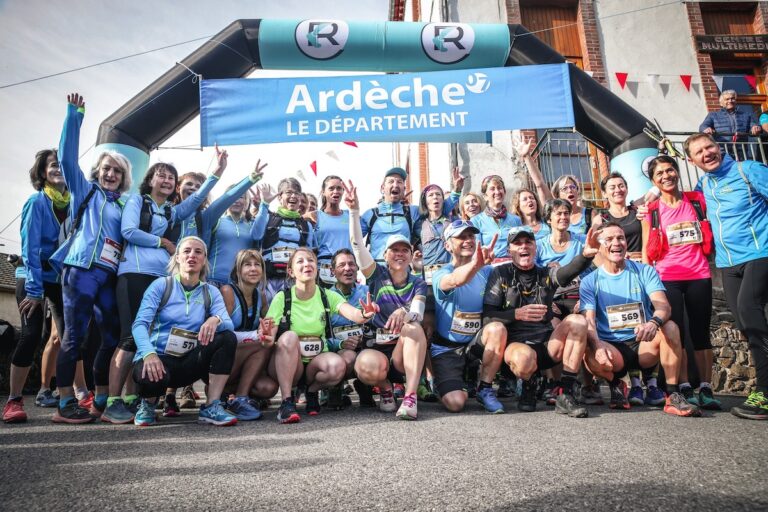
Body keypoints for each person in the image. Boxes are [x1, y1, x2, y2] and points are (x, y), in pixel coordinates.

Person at [101, 160, 221, 423]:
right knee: (130, 336)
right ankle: (113, 400)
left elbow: (196, 200)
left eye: (170, 178)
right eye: (161, 176)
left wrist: (215, 174)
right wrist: (162, 241)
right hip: (134, 274)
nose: (166, 181)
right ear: (151, 179)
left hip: (162, 278)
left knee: (150, 336)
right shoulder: (137, 201)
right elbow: (128, 231)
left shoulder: (171, 210)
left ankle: (133, 398)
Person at [48, 93, 132, 424]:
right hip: (81, 269)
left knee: (110, 336)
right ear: (99, 171)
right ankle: (65, 400)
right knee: (75, 335)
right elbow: (67, 159)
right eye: (107, 168)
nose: (111, 174)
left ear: (124, 178)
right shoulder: (86, 192)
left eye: (117, 171)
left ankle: (101, 397)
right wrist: (74, 115)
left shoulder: (126, 205)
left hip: (110, 275)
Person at [685, 132, 768, 420]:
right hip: (727, 263)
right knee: (746, 324)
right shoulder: (703, 185)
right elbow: (684, 208)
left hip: (760, 253)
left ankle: (767, 394)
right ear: (691, 160)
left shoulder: (748, 170)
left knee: (750, 312)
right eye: (699, 152)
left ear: (719, 147)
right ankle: (762, 390)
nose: (707, 153)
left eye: (710, 147)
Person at [580, 222, 700, 416]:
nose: (616, 243)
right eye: (609, 239)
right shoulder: (589, 281)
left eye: (620, 238)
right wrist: (597, 345)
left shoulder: (645, 271)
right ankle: (616, 384)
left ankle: (672, 395)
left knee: (670, 327)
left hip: (643, 342)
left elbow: (663, 306)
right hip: (613, 347)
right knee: (589, 351)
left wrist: (654, 322)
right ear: (600, 246)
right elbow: (590, 321)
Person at [482, 226, 600, 418]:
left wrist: (586, 255)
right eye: (517, 243)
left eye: (528, 242)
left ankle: (565, 394)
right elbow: (487, 317)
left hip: (547, 344)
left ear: (536, 247)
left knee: (578, 321)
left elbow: (567, 273)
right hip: (515, 346)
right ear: (509, 250)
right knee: (524, 360)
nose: (523, 246)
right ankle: (529, 383)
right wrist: (516, 314)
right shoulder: (500, 273)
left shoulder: (546, 273)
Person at [131, 236, 239, 427]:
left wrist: (215, 319)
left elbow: (228, 324)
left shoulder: (210, 292)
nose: (192, 256)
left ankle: (212, 406)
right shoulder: (161, 285)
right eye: (187, 251)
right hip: (159, 360)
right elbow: (139, 325)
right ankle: (147, 404)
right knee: (152, 378)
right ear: (178, 257)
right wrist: (148, 354)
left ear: (204, 259)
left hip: (190, 361)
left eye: (198, 252)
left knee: (227, 338)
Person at [264, 247, 378, 424]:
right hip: (289, 366)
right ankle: (286, 402)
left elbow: (354, 314)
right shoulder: (282, 298)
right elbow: (269, 336)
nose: (306, 264)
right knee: (289, 337)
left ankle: (311, 391)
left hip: (315, 366)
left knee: (337, 366)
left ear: (316, 267)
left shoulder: (327, 295)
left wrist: (365, 314)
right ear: (290, 271)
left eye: (310, 260)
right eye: (300, 261)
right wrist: (266, 339)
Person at [641, 155, 719, 410]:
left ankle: (706, 387)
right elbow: (645, 251)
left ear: (677, 172)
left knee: (700, 333)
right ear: (653, 181)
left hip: (699, 274)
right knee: (677, 333)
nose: (666, 176)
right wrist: (647, 281)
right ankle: (684, 385)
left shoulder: (696, 201)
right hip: (667, 278)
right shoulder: (651, 211)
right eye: (659, 174)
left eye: (669, 170)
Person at [347, 180, 429, 420]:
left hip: (403, 354)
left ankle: (410, 397)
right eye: (394, 250)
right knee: (364, 367)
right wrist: (353, 211)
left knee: (414, 327)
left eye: (404, 250)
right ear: (385, 255)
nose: (399, 254)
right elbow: (356, 245)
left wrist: (406, 313)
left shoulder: (418, 282)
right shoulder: (375, 274)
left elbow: (418, 313)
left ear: (410, 254)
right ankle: (384, 389)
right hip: (377, 349)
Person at [4, 149, 69, 423]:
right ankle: (13, 401)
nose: (58, 169)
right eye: (53, 165)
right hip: (31, 276)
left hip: (57, 278)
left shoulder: (74, 203)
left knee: (68, 337)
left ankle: (58, 393)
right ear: (43, 172)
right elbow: (29, 248)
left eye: (63, 165)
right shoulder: (36, 202)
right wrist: (34, 290)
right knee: (30, 334)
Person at [431, 220, 506, 413]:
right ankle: (442, 381)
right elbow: (456, 280)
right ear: (448, 245)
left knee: (497, 329)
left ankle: (485, 388)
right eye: (461, 237)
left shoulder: (488, 271)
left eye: (471, 236)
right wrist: (475, 264)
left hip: (474, 346)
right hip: (447, 350)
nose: (468, 241)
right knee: (456, 403)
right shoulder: (441, 273)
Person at [219, 249, 276, 420]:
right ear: (238, 271)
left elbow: (269, 326)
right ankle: (240, 397)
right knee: (261, 344)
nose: (253, 269)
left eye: (257, 264)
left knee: (268, 388)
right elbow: (222, 333)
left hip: (248, 357)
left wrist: (267, 332)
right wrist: (255, 335)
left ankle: (228, 392)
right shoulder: (228, 291)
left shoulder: (262, 296)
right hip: (225, 358)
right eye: (247, 265)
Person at [360, 167, 459, 262]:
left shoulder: (412, 212)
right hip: (378, 271)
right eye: (391, 181)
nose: (395, 185)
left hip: (402, 271)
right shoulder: (370, 215)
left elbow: (437, 207)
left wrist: (456, 192)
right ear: (382, 188)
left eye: (399, 182)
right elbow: (352, 239)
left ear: (404, 189)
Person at [252, 177, 316, 301]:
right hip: (268, 279)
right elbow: (255, 235)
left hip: (294, 280)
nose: (293, 196)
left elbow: (309, 254)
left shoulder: (306, 225)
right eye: (289, 192)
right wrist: (264, 204)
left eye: (297, 193)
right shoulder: (267, 217)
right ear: (280, 197)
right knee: (268, 316)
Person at [326, 248, 369, 409]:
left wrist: (365, 338)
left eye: (351, 264)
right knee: (349, 357)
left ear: (357, 268)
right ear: (332, 271)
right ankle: (335, 388)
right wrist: (340, 344)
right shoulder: (326, 297)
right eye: (342, 265)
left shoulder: (367, 292)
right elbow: (320, 336)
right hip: (338, 352)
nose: (347, 268)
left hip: (366, 347)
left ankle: (365, 385)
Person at [310, 175, 350, 288]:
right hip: (323, 271)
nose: (335, 191)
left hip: (347, 270)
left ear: (343, 191)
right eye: (331, 188)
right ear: (323, 192)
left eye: (339, 188)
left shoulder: (350, 216)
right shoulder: (315, 216)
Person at [699, 90, 760, 159]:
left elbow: (755, 125)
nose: (730, 101)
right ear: (721, 103)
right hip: (722, 151)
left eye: (732, 98)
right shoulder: (713, 115)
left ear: (736, 101)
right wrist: (706, 129)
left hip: (742, 151)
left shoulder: (746, 115)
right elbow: (703, 126)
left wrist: (756, 127)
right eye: (727, 99)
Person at [472, 175, 522, 259]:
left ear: (504, 192)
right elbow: (476, 250)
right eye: (492, 189)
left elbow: (521, 245)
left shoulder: (516, 220)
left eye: (499, 188)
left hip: (513, 264)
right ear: (485, 196)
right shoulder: (476, 221)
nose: (497, 192)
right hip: (489, 266)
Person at [598, 173, 643, 262]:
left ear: (626, 189)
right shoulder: (601, 218)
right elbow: (598, 249)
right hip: (618, 266)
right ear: (604, 194)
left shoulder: (638, 212)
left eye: (621, 186)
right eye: (612, 187)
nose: (618, 190)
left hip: (642, 264)